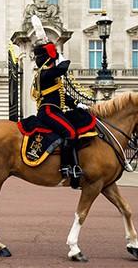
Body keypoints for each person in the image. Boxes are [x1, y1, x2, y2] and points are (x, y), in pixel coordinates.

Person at [29, 15, 92, 189]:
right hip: (48, 112)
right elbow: (63, 68)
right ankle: (66, 168)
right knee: (70, 133)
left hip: (55, 110)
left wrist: (77, 104)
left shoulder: (50, 74)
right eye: (53, 58)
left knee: (76, 128)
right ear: (49, 59)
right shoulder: (43, 73)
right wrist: (58, 54)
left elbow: (62, 95)